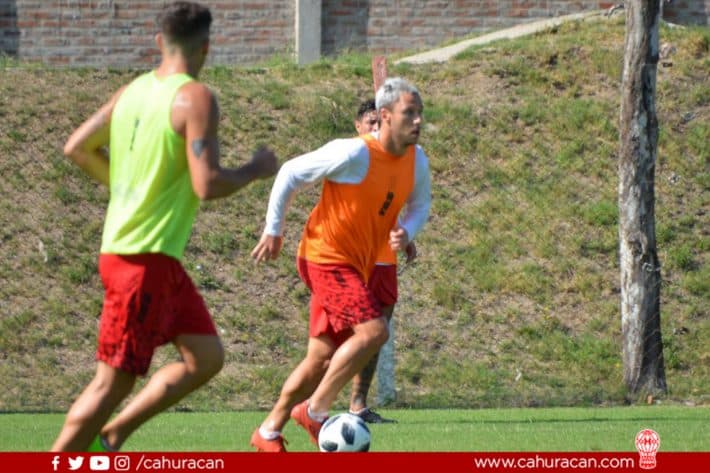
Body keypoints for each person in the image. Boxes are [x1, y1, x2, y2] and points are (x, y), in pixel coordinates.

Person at [51, 1, 277, 452]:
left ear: (160, 42)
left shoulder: (132, 91)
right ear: (207, 48)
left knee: (206, 357)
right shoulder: (196, 97)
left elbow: (77, 147)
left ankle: (114, 434)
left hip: (150, 258)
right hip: (141, 260)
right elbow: (207, 183)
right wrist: (255, 168)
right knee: (110, 384)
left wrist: (127, 189)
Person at [249, 77, 431, 451]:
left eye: (420, 113)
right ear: (384, 116)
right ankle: (314, 411)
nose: (417, 121)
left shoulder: (417, 160)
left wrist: (407, 232)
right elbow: (290, 173)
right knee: (374, 332)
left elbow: (420, 205)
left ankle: (267, 432)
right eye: (408, 113)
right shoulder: (355, 154)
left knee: (319, 358)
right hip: (324, 257)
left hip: (355, 265)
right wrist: (274, 229)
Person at [349, 99, 418, 424]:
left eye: (381, 122)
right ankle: (312, 403)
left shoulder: (396, 159)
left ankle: (357, 405)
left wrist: (406, 235)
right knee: (337, 338)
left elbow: (388, 204)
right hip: (350, 258)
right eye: (370, 122)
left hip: (384, 261)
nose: (376, 128)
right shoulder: (351, 159)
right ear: (357, 126)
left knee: (378, 333)